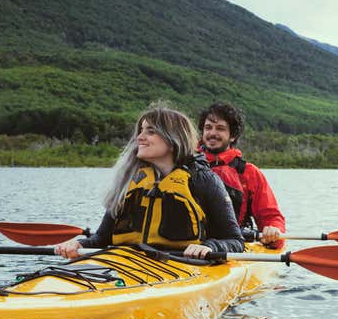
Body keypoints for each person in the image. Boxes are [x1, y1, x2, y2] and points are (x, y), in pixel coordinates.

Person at [55, 104, 244, 259]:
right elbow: (102, 238)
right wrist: (79, 243)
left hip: (182, 266)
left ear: (173, 140)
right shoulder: (130, 181)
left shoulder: (204, 180)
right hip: (127, 264)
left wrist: (210, 246)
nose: (140, 137)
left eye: (150, 131)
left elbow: (235, 241)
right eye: (141, 131)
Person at [197, 102, 286, 248]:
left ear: (233, 136)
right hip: (190, 245)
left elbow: (271, 216)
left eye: (220, 128)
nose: (212, 133)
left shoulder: (249, 172)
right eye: (208, 128)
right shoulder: (185, 165)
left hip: (231, 244)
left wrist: (273, 230)